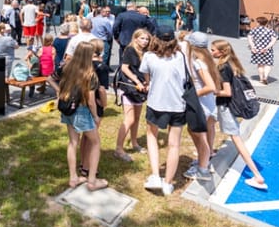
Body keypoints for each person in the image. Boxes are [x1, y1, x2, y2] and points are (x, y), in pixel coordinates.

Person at [210, 39, 268, 190]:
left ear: (221, 52)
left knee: (236, 138)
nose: (211, 52)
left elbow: (227, 92)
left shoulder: (223, 67)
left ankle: (257, 176)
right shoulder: (233, 63)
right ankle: (209, 151)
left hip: (226, 106)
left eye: (213, 50)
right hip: (229, 105)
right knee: (209, 121)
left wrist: (211, 90)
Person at [140, 25, 185, 196]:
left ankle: (156, 176)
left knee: (152, 137)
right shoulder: (180, 56)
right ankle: (168, 183)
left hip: (156, 102)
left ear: (155, 39)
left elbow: (147, 78)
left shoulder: (149, 57)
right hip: (178, 103)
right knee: (174, 144)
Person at [59, 42, 106, 191]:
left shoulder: (68, 68)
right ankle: (92, 181)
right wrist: (96, 116)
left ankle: (73, 177)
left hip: (67, 109)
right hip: (82, 111)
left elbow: (56, 81)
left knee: (73, 142)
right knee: (95, 143)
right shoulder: (90, 74)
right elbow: (91, 100)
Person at [182, 32, 216, 182]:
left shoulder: (198, 63)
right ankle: (203, 161)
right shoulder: (206, 59)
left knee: (200, 136)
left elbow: (210, 86)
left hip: (201, 104)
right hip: (206, 103)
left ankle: (203, 169)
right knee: (196, 132)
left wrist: (192, 95)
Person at [114, 28, 150, 162]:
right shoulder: (130, 50)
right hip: (129, 87)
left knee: (137, 117)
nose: (145, 41)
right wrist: (136, 81)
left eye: (147, 39)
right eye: (142, 38)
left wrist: (147, 82)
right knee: (129, 119)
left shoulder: (146, 52)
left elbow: (146, 70)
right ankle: (118, 148)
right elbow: (124, 68)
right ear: (135, 38)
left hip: (140, 88)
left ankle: (134, 143)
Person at [247, 16, 277, 85]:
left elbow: (250, 38)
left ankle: (261, 79)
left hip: (257, 49)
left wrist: (253, 47)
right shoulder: (270, 31)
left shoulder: (254, 30)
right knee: (268, 64)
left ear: (258, 23)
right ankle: (265, 77)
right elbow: (274, 40)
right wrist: (267, 47)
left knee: (260, 64)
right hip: (267, 50)